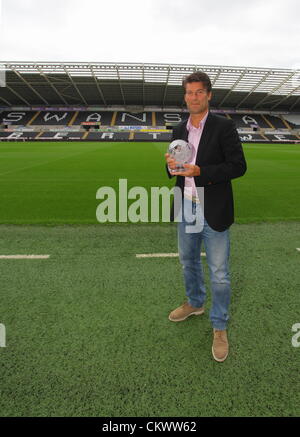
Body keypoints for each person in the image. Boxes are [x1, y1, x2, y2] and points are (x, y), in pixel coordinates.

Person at [165, 71, 247, 362]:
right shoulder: (177, 129)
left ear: (209, 95)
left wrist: (202, 172)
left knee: (220, 273)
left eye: (199, 92)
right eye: (189, 93)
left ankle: (220, 325)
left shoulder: (224, 127)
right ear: (185, 96)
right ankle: (195, 303)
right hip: (184, 206)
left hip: (213, 207)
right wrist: (171, 165)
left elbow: (238, 166)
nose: (193, 97)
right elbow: (173, 170)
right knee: (188, 262)